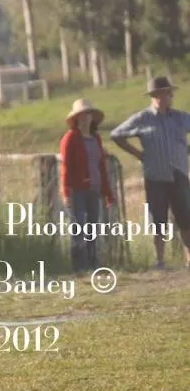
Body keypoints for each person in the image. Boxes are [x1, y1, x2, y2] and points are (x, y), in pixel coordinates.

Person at [110, 76, 190, 269]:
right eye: (160, 93)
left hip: (178, 172)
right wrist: (138, 153)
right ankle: (160, 260)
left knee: (186, 218)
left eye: (166, 93)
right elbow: (116, 134)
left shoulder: (180, 118)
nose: (164, 97)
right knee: (158, 219)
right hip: (155, 175)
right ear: (154, 96)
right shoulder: (142, 119)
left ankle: (189, 259)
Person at [59, 99, 114, 273]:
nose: (85, 118)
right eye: (81, 115)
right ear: (76, 118)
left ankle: (93, 262)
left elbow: (101, 166)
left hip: (94, 189)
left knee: (92, 227)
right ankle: (79, 266)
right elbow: (66, 166)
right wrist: (66, 192)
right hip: (77, 190)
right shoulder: (70, 138)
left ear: (92, 118)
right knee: (78, 227)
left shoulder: (96, 138)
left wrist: (107, 193)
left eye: (87, 114)